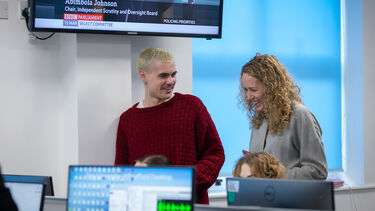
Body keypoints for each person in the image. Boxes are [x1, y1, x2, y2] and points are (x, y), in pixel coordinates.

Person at [115, 47, 225, 204]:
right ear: (143, 75)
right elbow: (122, 172)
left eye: (173, 74)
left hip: (190, 203)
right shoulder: (128, 119)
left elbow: (215, 153)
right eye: (163, 76)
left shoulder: (192, 106)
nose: (171, 81)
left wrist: (185, 182)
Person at [239, 53, 328, 180]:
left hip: (292, 198)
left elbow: (318, 171)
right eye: (246, 90)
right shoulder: (260, 119)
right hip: (263, 197)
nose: (248, 96)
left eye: (253, 90)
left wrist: (275, 175)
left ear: (271, 87)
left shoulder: (300, 115)